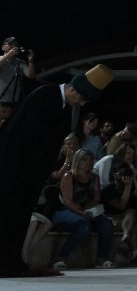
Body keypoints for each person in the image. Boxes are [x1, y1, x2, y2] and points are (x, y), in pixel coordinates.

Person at [0, 64, 113, 277]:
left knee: (17, 218)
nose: (81, 104)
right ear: (73, 90)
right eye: (81, 99)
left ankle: (11, 263)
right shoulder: (46, 96)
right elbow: (29, 137)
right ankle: (6, 264)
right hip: (13, 169)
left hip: (27, 173)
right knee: (8, 216)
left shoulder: (62, 104)